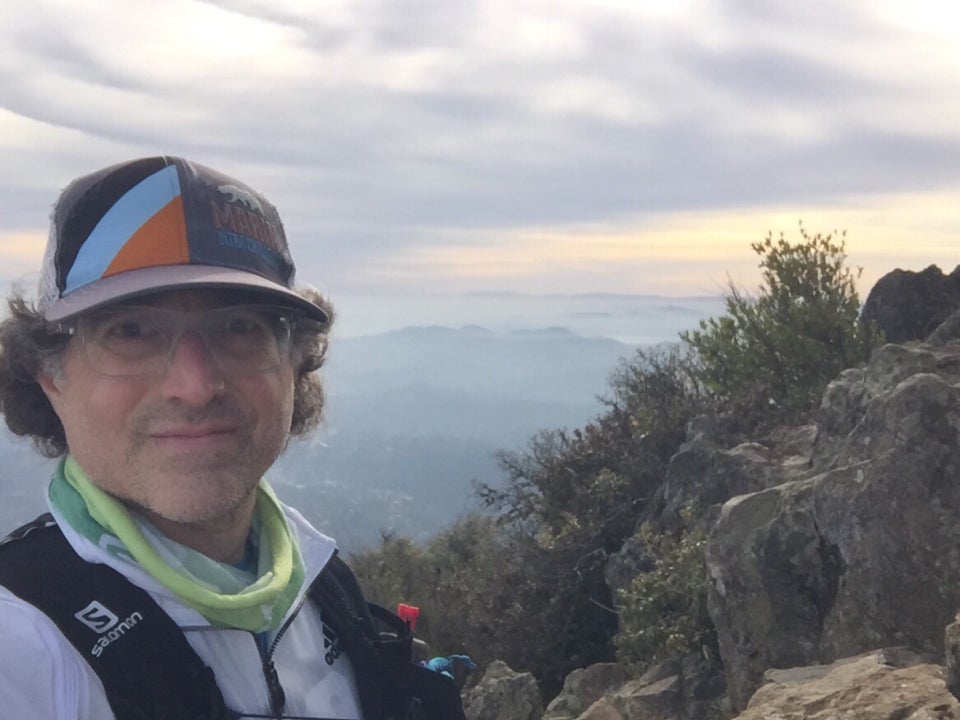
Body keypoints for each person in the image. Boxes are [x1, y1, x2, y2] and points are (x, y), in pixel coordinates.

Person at [0, 156, 467, 720]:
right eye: (130, 330)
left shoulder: (319, 586)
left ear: (295, 364)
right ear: (50, 375)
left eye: (241, 326)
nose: (195, 386)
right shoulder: (23, 645)